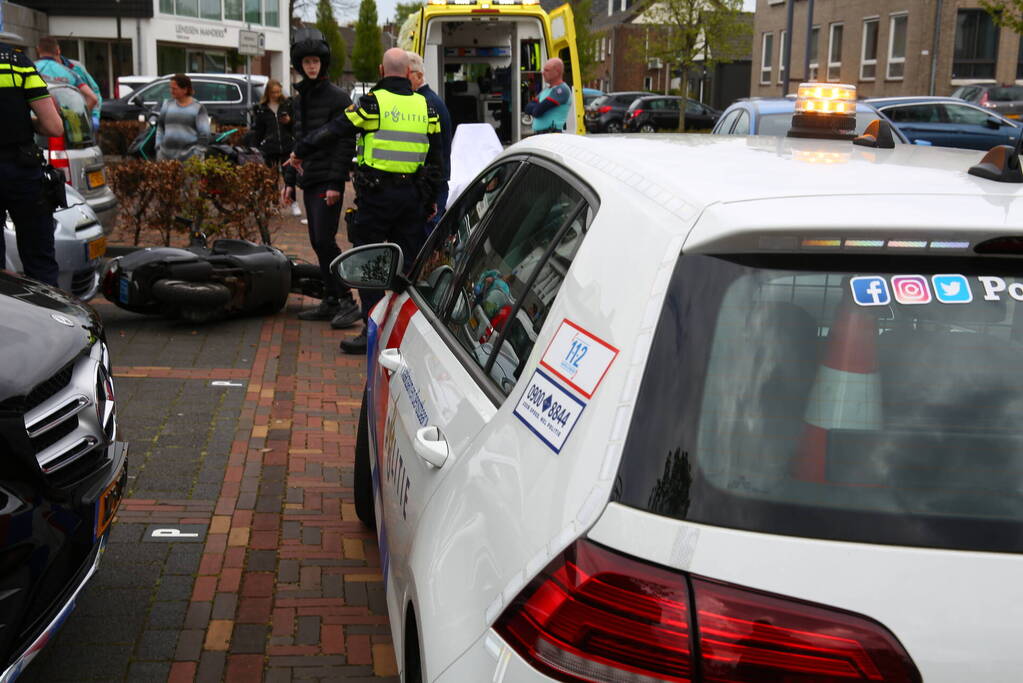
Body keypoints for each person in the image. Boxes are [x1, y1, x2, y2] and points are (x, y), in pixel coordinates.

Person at [287, 48, 444, 354]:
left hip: (377, 198)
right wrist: (432, 198)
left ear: (381, 71)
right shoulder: (428, 108)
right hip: (412, 198)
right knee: (408, 267)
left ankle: (372, 333)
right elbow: (437, 157)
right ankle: (404, 336)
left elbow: (334, 131)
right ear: (409, 73)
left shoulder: (372, 105)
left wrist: (300, 151)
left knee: (369, 264)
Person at [282, 28, 361, 328]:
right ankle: (329, 299)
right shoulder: (300, 98)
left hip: (327, 180)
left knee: (325, 241)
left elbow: (344, 144)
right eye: (306, 62)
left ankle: (346, 301)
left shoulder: (338, 98)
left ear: (323, 63)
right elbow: (298, 143)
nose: (311, 66)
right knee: (317, 241)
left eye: (316, 61)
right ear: (300, 65)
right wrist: (289, 180)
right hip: (308, 178)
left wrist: (334, 184)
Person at [0, 41, 65, 287]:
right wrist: (27, 123)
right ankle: (49, 322)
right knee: (40, 263)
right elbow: (54, 127)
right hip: (21, 171)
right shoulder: (17, 63)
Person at [406, 51, 452, 235]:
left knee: (426, 238)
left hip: (433, 184)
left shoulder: (426, 103)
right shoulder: (431, 100)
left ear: (418, 76)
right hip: (435, 181)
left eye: (405, 76)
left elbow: (434, 150)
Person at [248, 79, 301, 216]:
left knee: (289, 175)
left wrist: (289, 121)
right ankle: (274, 203)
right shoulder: (262, 109)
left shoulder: (287, 105)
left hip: (286, 145)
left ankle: (293, 202)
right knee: (272, 177)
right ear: (268, 93)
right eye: (273, 92)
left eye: (278, 92)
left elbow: (296, 125)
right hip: (269, 146)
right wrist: (255, 146)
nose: (276, 95)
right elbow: (258, 129)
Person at [33, 36, 99, 113]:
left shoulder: (30, 69)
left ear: (38, 49)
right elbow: (93, 98)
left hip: (37, 119)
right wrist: (81, 115)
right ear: (58, 50)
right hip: (65, 119)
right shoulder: (69, 72)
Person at [155, 74, 211, 161]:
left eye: (174, 89)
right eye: (170, 88)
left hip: (190, 160)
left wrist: (197, 153)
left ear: (185, 89)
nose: (171, 91)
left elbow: (205, 134)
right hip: (165, 159)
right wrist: (158, 147)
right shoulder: (167, 105)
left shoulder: (198, 108)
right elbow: (160, 127)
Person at [524, 57, 572, 135]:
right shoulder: (547, 90)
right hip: (541, 135)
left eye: (547, 70)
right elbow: (527, 108)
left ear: (557, 72)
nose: (543, 73)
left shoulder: (562, 90)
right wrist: (536, 108)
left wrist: (536, 107)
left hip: (551, 135)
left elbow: (538, 111)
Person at [61, 55, 102, 131]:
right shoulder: (42, 66)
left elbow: (94, 90)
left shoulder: (76, 67)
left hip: (79, 116)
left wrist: (95, 114)